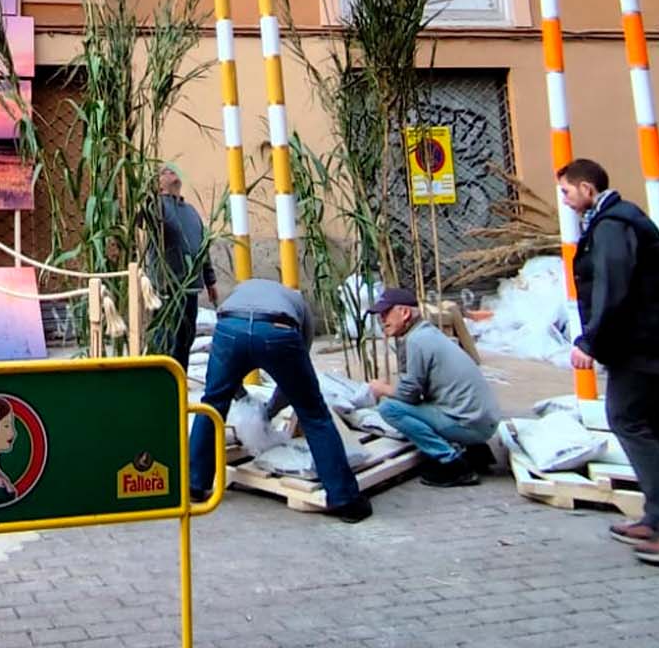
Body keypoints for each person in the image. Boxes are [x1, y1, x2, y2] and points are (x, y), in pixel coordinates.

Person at [559, 158, 659, 565]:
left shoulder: (612, 226)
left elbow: (613, 288)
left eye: (567, 191)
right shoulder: (616, 220)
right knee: (647, 424)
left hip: (645, 343)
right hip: (651, 340)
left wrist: (590, 342)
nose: (565, 199)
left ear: (587, 189)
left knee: (627, 419)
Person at [188, 277, 372, 522]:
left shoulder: (241, 291)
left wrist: (246, 400)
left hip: (230, 327)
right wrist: (270, 411)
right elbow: (294, 381)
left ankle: (194, 484)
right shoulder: (298, 304)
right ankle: (345, 499)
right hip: (277, 330)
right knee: (313, 412)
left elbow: (226, 378)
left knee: (212, 403)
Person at [364, 286, 502, 488]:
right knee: (431, 401)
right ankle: (477, 452)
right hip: (483, 419)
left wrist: (381, 388)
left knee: (389, 409)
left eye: (386, 314)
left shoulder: (416, 341)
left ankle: (452, 463)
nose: (382, 321)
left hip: (470, 424)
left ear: (404, 313)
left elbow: (408, 395)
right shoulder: (428, 334)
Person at [155, 164, 219, 374]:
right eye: (166, 171)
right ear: (158, 183)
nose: (173, 173)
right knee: (166, 338)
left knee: (185, 338)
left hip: (191, 287)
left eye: (174, 170)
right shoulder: (157, 207)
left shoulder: (190, 211)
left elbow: (202, 247)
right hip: (168, 287)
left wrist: (210, 280)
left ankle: (179, 380)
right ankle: (162, 381)